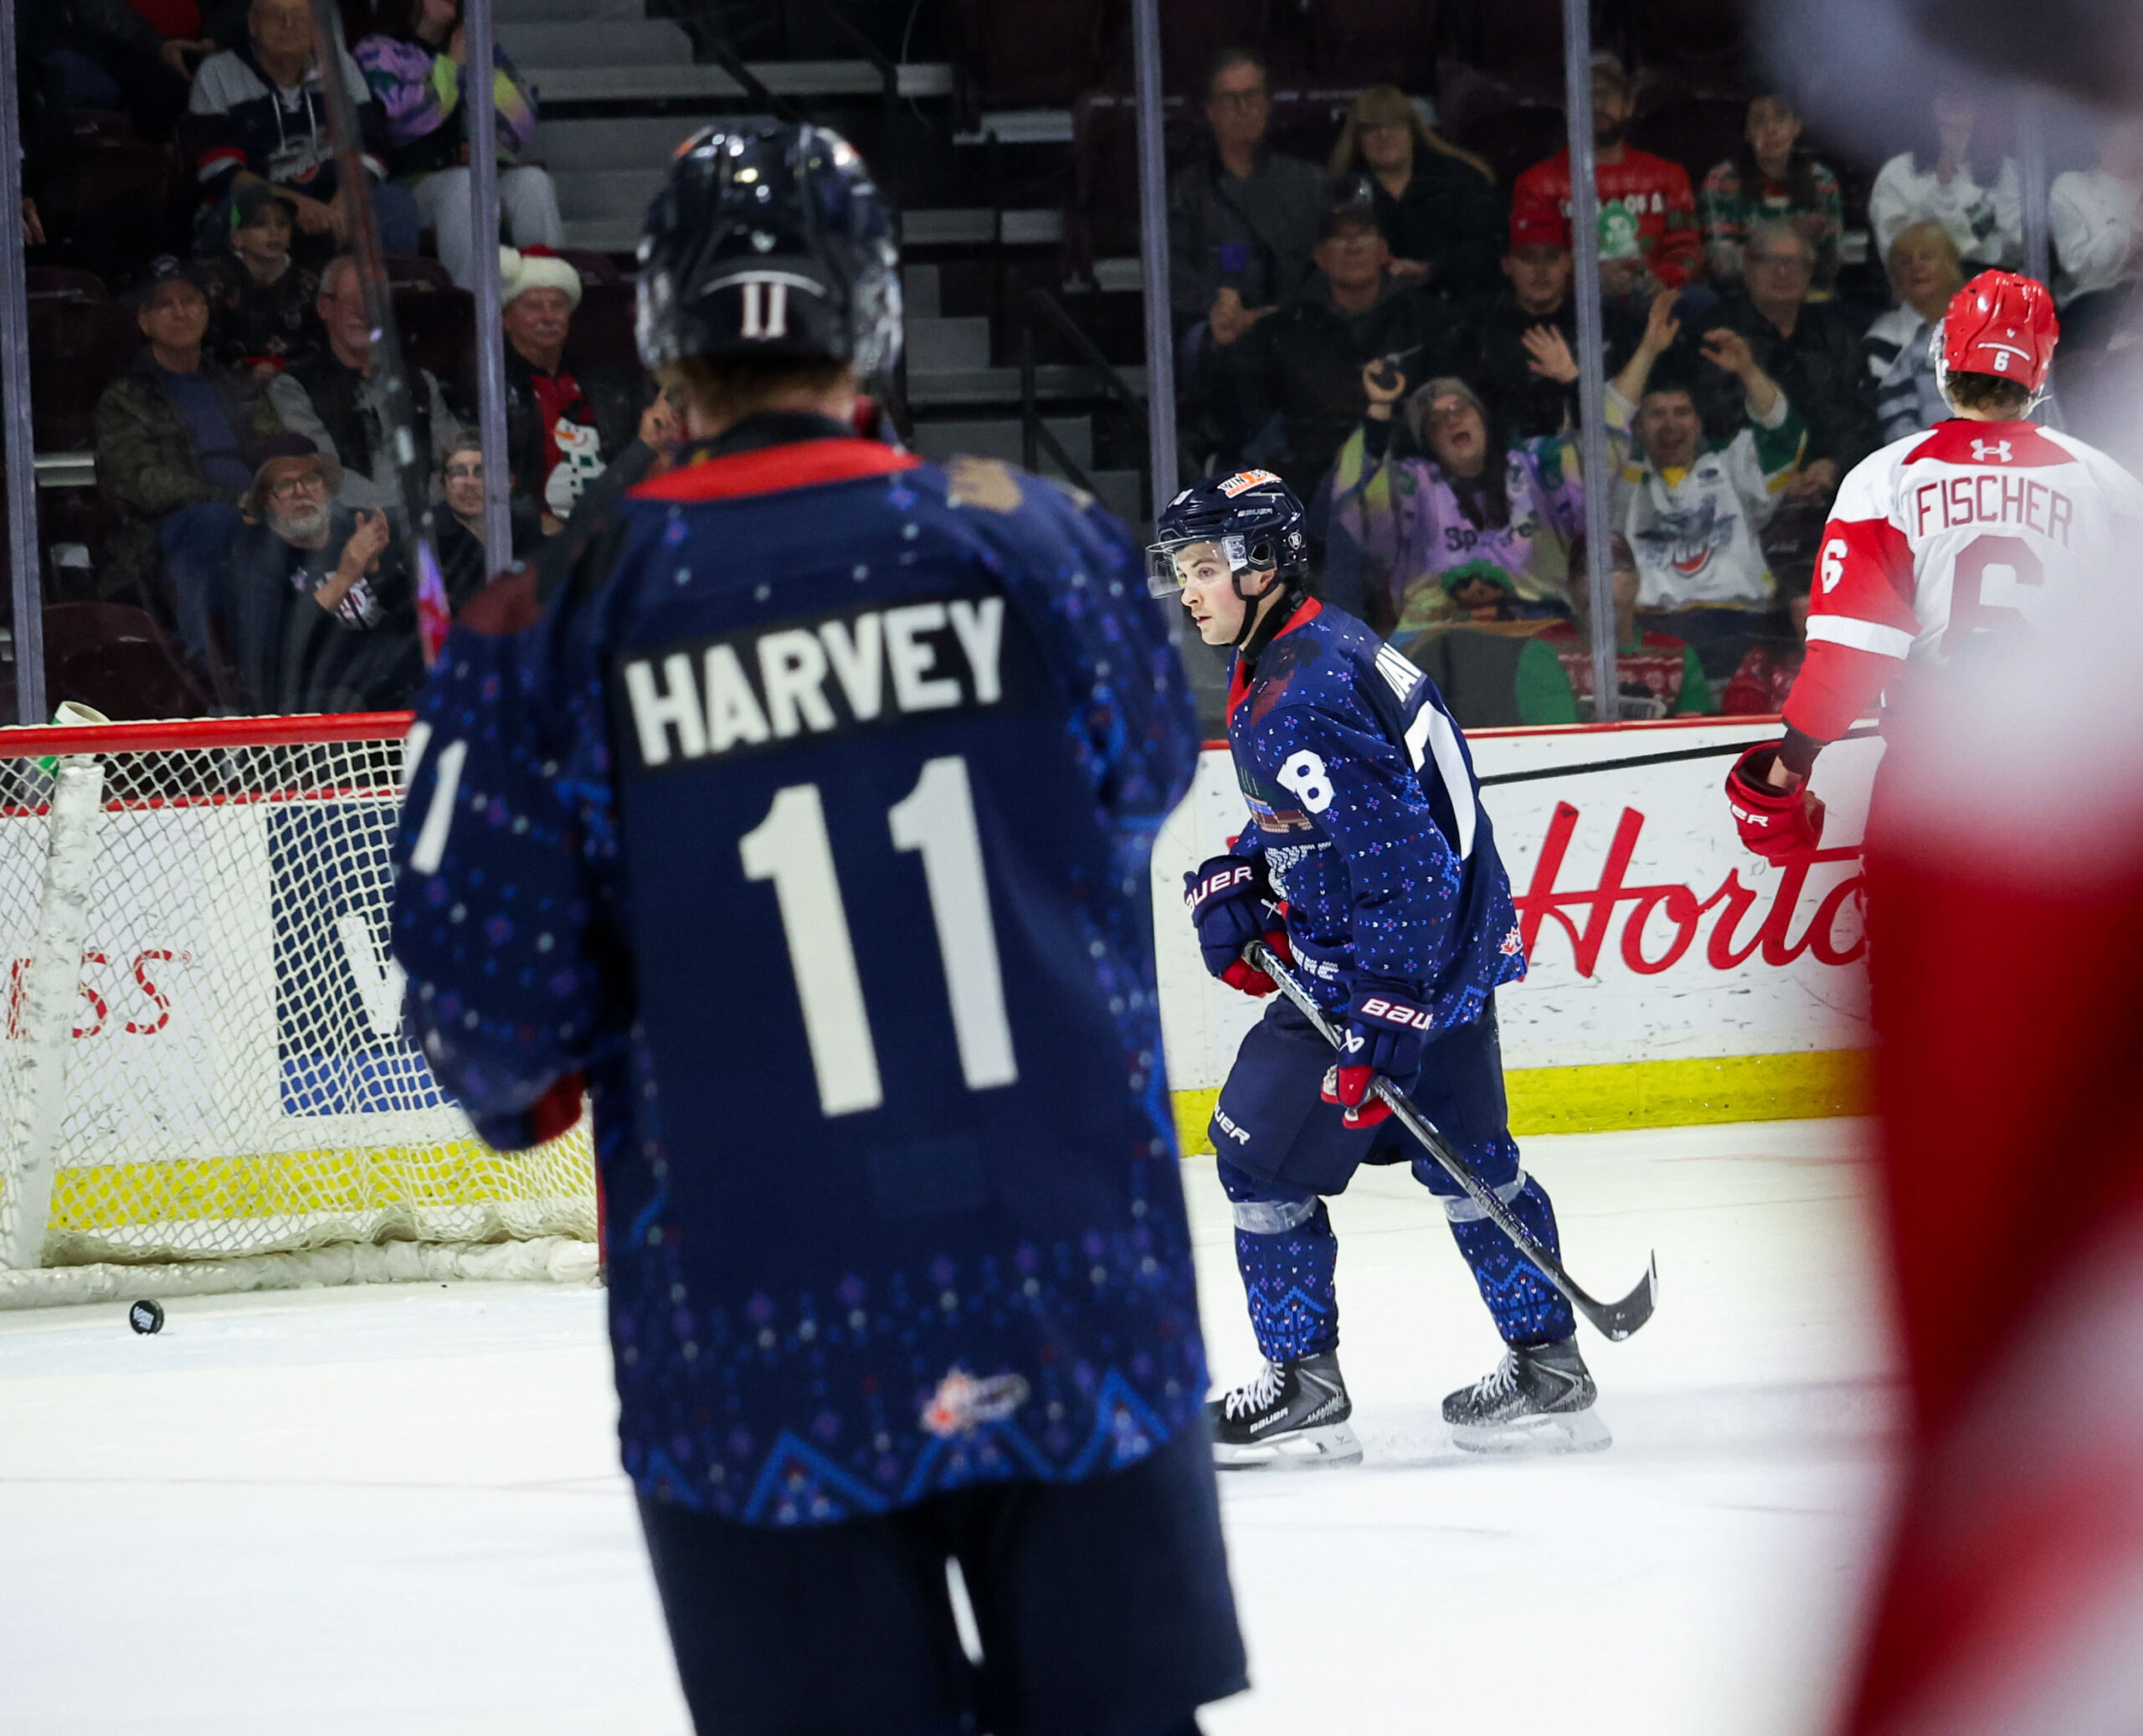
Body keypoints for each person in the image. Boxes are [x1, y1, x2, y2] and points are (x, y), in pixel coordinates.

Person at [388, 121, 1246, 1736]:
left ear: (663, 330)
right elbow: (1139, 785)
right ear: (875, 315)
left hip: (755, 1338)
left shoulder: (547, 620)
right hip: (1071, 1287)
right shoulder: (1042, 539)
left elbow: (496, 1039)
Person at [1153, 470, 1606, 1466]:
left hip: (1378, 970)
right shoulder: (1316, 643)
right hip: (1450, 954)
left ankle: (1304, 1390)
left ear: (1261, 564)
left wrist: (1387, 1006)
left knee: (1254, 1159)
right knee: (1470, 1162)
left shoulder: (1297, 691)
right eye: (1180, 571)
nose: (1187, 591)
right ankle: (1551, 1369)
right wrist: (1250, 862)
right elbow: (1343, 813)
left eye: (1202, 568)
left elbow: (1402, 865)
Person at [1726, 271, 2143, 862]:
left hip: (1933, 786)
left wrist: (1788, 770)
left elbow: (1851, 656)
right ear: (2039, 372)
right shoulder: (2108, 486)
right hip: (2075, 789)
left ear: (1946, 358)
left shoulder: (1888, 478)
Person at [1204, 180, 1433, 504]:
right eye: (1339, 237)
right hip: (1310, 494)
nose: (1353, 246)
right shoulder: (1283, 328)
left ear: (1384, 250)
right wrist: (1222, 348)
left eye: (1364, 235)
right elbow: (1237, 417)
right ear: (1320, 256)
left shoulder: (1427, 321)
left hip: (1412, 489)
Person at [1606, 290, 1805, 664]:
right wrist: (1648, 350)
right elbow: (1607, 424)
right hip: (1654, 633)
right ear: (1638, 426)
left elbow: (1784, 435)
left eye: (1681, 412)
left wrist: (1747, 370)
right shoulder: (1620, 480)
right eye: (1656, 414)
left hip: (1739, 627)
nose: (1670, 425)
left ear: (1698, 424)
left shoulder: (1731, 466)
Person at [93, 261, 286, 631]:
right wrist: (231, 499)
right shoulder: (126, 397)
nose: (180, 312)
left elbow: (278, 449)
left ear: (206, 311)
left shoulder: (236, 385)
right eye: (166, 304)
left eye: (190, 301)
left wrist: (282, 490)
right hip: (165, 533)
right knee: (218, 522)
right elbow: (140, 482)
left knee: (330, 517)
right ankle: (206, 654)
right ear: (145, 321)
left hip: (255, 510)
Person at [1328, 365, 1582, 636]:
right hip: (1439, 642)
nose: (1452, 420)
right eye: (1436, 421)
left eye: (1460, 408)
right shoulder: (1413, 487)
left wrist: (1575, 385)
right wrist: (1380, 409)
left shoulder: (1534, 466)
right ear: (1429, 443)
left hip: (1541, 635)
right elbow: (1357, 504)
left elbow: (1596, 470)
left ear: (1482, 420)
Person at [182, 0, 420, 265]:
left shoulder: (340, 65)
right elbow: (220, 172)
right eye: (276, 15)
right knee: (248, 207)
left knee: (393, 201)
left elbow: (371, 146)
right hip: (262, 201)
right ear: (253, 23)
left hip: (335, 199)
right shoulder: (217, 73)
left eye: (300, 15)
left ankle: (387, 289)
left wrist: (344, 201)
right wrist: (295, 205)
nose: (288, 25)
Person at [355, 0, 562, 290]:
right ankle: (471, 304)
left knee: (533, 183)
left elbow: (522, 124)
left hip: (473, 175)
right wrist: (451, 65)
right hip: (408, 189)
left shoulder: (476, 49)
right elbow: (404, 121)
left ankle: (543, 296)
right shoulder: (377, 50)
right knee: (463, 186)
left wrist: (483, 64)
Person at [217, 433, 423, 714]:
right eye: (286, 485)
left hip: (392, 695)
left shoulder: (354, 532)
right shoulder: (254, 559)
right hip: (319, 710)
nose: (301, 492)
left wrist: (377, 571)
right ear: (266, 499)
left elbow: (412, 627)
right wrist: (345, 576)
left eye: (311, 479)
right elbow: (277, 658)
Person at [1511, 52, 1704, 305]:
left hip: (1655, 302)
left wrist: (1661, 281)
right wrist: (1589, 278)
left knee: (1701, 301)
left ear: (1629, 106)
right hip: (1577, 306)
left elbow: (1689, 250)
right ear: (1567, 109)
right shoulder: (1537, 183)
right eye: (1585, 95)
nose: (1597, 105)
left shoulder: (1669, 176)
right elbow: (1534, 262)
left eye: (1607, 94)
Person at [270, 254, 455, 516]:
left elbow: (454, 459)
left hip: (430, 520)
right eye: (351, 300)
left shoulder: (419, 380)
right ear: (325, 307)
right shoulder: (293, 387)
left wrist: (426, 504)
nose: (364, 311)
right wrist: (397, 512)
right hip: (351, 524)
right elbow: (323, 475)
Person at [1168, 48, 1327, 347]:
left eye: (1252, 96)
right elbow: (1171, 274)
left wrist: (1275, 314)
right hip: (1221, 340)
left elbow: (1330, 269)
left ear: (1267, 105)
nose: (1243, 109)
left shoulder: (1310, 183)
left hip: (1301, 335)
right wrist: (1214, 304)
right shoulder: (1185, 192)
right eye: (1230, 99)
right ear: (1211, 111)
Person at [485, 245, 649, 531]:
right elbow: (480, 480)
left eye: (558, 305)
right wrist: (532, 522)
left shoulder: (609, 384)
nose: (548, 317)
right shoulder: (489, 389)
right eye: (533, 306)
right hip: (533, 537)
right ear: (505, 319)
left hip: (608, 528)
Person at [1326, 85, 1503, 299]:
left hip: (1456, 303)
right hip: (1370, 308)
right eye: (1371, 128)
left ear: (1412, 130)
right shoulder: (1340, 193)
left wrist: (1432, 270)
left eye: (1394, 124)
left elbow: (1488, 249)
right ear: (1357, 138)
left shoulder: (1460, 179)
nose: (1384, 135)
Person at [1514, 532, 1713, 722]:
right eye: (1584, 572)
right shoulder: (1546, 652)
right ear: (1571, 587)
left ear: (1636, 581)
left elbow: (1697, 738)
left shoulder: (1677, 657)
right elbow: (1560, 741)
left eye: (1612, 569)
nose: (1598, 583)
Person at [1697, 94, 1846, 291]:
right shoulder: (1722, 181)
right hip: (1743, 297)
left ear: (1796, 126)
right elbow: (1721, 266)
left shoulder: (1821, 180)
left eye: (1781, 117)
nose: (1771, 129)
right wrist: (1791, 241)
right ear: (1747, 132)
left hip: (1807, 296)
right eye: (1759, 120)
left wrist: (1821, 241)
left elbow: (1831, 267)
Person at [1868, 93, 2021, 273]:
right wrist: (1942, 191)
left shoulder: (2009, 173)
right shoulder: (1897, 174)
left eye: (1964, 91)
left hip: (1993, 284)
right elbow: (1897, 253)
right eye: (1944, 88)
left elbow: (2017, 249)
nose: (1954, 97)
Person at [199, 182, 325, 378]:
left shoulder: (309, 283)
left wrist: (288, 372)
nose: (274, 232)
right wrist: (246, 372)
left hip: (298, 380)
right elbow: (209, 349)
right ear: (237, 238)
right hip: (232, 384)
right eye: (260, 224)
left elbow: (318, 344)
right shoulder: (217, 282)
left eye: (282, 224)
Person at [1862, 221, 1968, 441]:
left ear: (1951, 265)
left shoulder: (1987, 327)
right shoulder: (1882, 338)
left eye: (1926, 257)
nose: (1916, 266)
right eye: (1905, 261)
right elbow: (1892, 419)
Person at [2048, 117, 2143, 348]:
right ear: (2101, 139)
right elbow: (2085, 271)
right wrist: (2134, 227)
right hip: (2095, 311)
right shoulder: (2072, 187)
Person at [430, 434, 540, 611]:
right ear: (444, 484)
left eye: (482, 472)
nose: (470, 482)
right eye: (459, 473)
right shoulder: (428, 537)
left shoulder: (524, 525)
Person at [1719, 586, 1810, 715]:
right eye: (1805, 594)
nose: (1815, 603)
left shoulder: (1840, 660)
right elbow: (1741, 714)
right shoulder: (1765, 659)